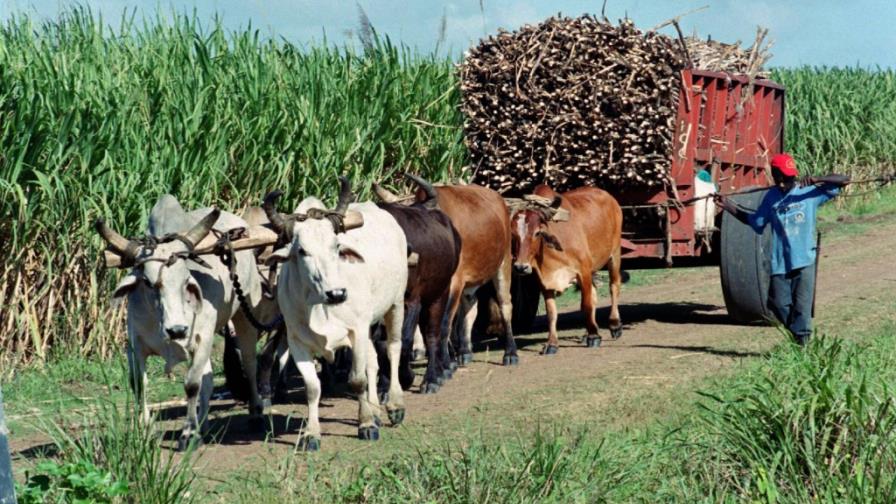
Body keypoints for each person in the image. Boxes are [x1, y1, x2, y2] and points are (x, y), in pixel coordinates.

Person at [714, 153, 850, 345]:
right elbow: (755, 222)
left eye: (787, 178)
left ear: (794, 175)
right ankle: (798, 334)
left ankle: (803, 344)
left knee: (802, 307)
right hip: (780, 263)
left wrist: (818, 179)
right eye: (779, 178)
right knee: (777, 304)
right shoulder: (771, 198)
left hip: (805, 260)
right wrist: (728, 206)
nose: (783, 183)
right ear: (774, 176)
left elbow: (844, 180)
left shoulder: (810, 192)